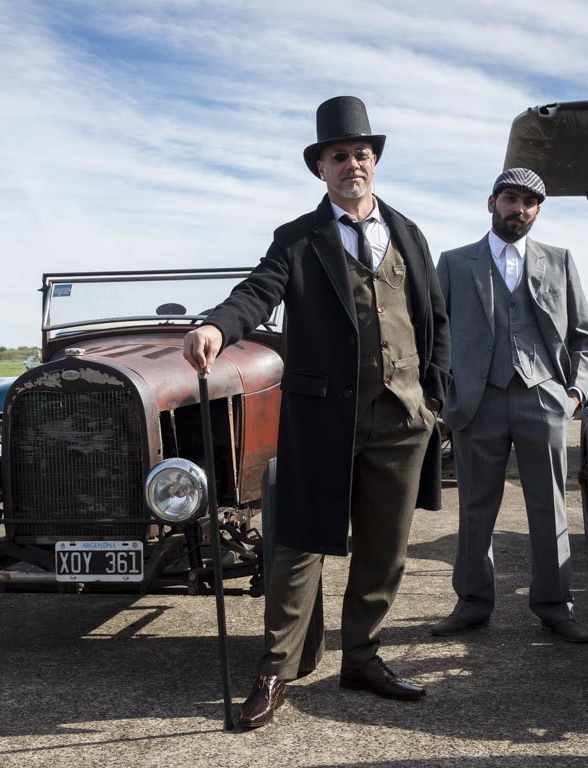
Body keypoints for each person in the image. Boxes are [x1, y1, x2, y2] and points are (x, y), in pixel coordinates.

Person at [183, 96, 450, 729]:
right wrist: (217, 326)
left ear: (374, 161)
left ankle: (362, 658)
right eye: (338, 156)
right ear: (321, 168)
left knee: (385, 549)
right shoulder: (298, 238)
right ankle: (275, 670)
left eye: (361, 153)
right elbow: (257, 290)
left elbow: (433, 319)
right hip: (325, 418)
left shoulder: (409, 233)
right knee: (300, 544)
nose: (351, 164)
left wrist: (434, 396)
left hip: (403, 416)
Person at [431, 168, 588, 643]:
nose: (518, 208)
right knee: (474, 507)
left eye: (529, 202)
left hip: (542, 397)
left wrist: (574, 394)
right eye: (510, 198)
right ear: (491, 203)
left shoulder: (560, 261)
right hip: (476, 403)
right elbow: (435, 337)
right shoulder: (455, 262)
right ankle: (472, 603)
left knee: (548, 507)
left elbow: (587, 338)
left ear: (538, 211)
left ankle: (554, 605)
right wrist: (444, 396)